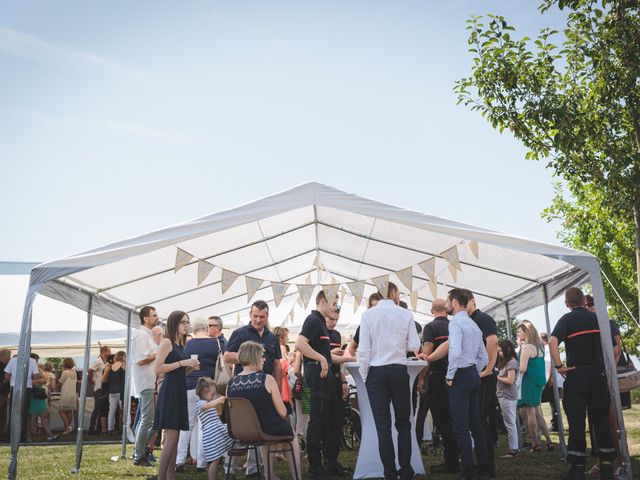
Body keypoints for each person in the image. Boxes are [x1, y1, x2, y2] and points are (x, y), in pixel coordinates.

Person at [549, 287, 616, 480]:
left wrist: (559, 366)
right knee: (601, 419)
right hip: (597, 372)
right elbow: (612, 346)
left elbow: (553, 342)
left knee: (577, 421)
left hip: (577, 374)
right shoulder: (598, 319)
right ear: (585, 301)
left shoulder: (566, 320)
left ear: (567, 304)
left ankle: (577, 469)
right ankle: (606, 466)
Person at [357, 282, 421, 480]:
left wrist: (365, 375)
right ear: (393, 293)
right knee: (404, 423)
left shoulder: (368, 315)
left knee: (382, 425)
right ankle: (407, 470)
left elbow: (363, 350)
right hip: (398, 370)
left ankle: (390, 473)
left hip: (376, 373)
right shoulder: (406, 314)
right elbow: (413, 344)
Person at [224, 300, 282, 479]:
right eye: (255, 316)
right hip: (244, 388)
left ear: (267, 316)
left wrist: (277, 390)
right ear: (250, 314)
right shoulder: (240, 333)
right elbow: (227, 356)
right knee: (240, 427)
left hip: (265, 389)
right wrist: (247, 358)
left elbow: (277, 365)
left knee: (259, 427)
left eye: (262, 317)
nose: (258, 320)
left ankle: (253, 469)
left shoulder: (272, 337)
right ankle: (230, 468)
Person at [227, 341, 301, 480]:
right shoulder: (266, 379)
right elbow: (282, 412)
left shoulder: (231, 383)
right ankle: (296, 477)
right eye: (262, 356)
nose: (264, 359)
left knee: (267, 431)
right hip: (265, 429)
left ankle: (269, 474)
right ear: (254, 357)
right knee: (291, 434)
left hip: (240, 432)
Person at [295, 290, 347, 479]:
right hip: (318, 378)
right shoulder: (314, 320)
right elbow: (300, 344)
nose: (336, 308)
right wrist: (321, 359)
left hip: (328, 381)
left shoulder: (322, 324)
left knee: (335, 418)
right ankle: (316, 470)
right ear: (323, 301)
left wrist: (349, 357)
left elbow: (327, 355)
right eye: (335, 303)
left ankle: (331, 464)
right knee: (317, 423)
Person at [445, 288, 489, 480]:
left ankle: (469, 471)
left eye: (448, 301)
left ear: (454, 302)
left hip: (461, 375)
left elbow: (454, 352)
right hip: (472, 373)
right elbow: (484, 356)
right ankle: (484, 468)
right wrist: (475, 371)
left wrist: (450, 375)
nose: (447, 305)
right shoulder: (473, 325)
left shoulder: (455, 323)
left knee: (460, 426)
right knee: (476, 424)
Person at [153, 310, 200, 480]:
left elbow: (177, 371)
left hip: (179, 390)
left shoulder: (181, 345)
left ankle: (170, 476)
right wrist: (182, 362)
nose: (186, 325)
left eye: (188, 322)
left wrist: (189, 367)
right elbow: (158, 369)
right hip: (171, 392)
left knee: (176, 437)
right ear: (174, 323)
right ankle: (161, 476)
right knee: (172, 438)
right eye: (183, 322)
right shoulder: (167, 342)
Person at [177, 316, 225, 472]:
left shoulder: (187, 345)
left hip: (189, 386)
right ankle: (201, 462)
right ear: (206, 327)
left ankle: (179, 460)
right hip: (208, 389)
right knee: (206, 425)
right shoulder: (215, 343)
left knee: (188, 424)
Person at [420, 298, 460, 473]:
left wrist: (421, 378)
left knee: (442, 420)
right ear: (446, 309)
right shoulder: (453, 326)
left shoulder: (430, 327)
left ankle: (451, 461)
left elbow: (427, 353)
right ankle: (455, 457)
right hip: (454, 377)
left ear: (431, 311)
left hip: (437, 378)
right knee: (453, 419)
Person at [464, 290, 498, 479]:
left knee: (480, 419)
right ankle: (482, 463)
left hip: (484, 376)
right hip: (473, 376)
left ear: (472, 301)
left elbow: (493, 342)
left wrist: (488, 368)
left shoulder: (482, 318)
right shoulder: (465, 322)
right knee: (476, 420)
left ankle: (487, 467)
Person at [324, 296, 352, 476]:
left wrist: (343, 380)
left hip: (335, 379)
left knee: (337, 420)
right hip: (322, 382)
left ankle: (333, 460)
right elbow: (309, 356)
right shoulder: (317, 332)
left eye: (336, 320)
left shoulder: (336, 335)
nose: (333, 323)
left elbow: (339, 363)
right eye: (331, 319)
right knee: (325, 423)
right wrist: (329, 353)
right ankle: (325, 462)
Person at [517, 320, 553, 453]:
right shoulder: (539, 347)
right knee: (538, 413)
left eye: (520, 331)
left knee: (530, 413)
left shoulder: (526, 347)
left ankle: (535, 443)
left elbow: (522, 368)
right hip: (538, 381)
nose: (518, 333)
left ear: (526, 332)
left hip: (529, 381)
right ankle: (549, 441)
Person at [131, 305, 160, 466]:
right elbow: (141, 360)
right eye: (154, 315)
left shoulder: (148, 335)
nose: (157, 318)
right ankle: (138, 455)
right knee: (147, 419)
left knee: (152, 420)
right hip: (145, 382)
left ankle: (142, 451)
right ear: (145, 318)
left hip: (151, 382)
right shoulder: (141, 335)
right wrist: (159, 353)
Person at [195, 377, 233, 480]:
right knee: (214, 461)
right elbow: (206, 406)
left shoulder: (208, 402)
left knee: (216, 460)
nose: (213, 397)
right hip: (212, 435)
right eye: (212, 394)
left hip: (217, 431)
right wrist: (217, 401)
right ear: (203, 392)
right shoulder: (200, 404)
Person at [4, 351, 40, 442]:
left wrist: (13, 379)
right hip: (27, 388)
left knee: (13, 412)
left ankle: (10, 436)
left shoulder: (13, 360)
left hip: (15, 387)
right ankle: (22, 436)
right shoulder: (32, 361)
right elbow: (36, 376)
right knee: (24, 413)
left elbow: (7, 375)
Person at [496, 340, 519, 458]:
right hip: (504, 395)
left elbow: (510, 381)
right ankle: (513, 447)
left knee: (510, 423)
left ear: (507, 349)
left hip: (508, 396)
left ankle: (513, 449)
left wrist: (497, 377)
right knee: (509, 422)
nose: (499, 353)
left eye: (500, 350)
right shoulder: (506, 362)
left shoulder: (512, 362)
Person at [540, 332, 564, 433]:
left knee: (553, 403)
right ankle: (557, 425)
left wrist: (549, 379)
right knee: (554, 403)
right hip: (557, 380)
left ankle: (556, 426)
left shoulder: (546, 349)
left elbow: (549, 363)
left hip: (552, 380)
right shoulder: (550, 349)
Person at [347, 292, 381, 358]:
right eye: (374, 308)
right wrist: (358, 362)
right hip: (368, 365)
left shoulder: (387, 325)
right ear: (369, 308)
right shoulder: (362, 327)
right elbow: (352, 348)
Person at [89, 345, 111, 434]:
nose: (110, 353)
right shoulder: (98, 361)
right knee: (97, 408)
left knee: (103, 408)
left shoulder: (105, 362)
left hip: (104, 387)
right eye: (109, 351)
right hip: (99, 387)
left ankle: (99, 428)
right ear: (104, 352)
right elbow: (90, 370)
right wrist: (92, 380)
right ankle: (91, 428)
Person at [103, 351, 126, 434]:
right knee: (124, 410)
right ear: (123, 357)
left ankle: (110, 428)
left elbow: (104, 380)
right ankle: (124, 428)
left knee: (111, 410)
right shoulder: (123, 366)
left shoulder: (110, 367)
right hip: (121, 392)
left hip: (111, 391)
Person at [272, 327, 293, 415]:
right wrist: (290, 360)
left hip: (279, 384)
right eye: (286, 336)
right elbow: (282, 367)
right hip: (282, 385)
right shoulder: (282, 347)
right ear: (281, 338)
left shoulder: (273, 348)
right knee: (286, 414)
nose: (288, 338)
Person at [58, 357, 78, 435]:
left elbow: (60, 382)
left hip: (65, 393)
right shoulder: (74, 372)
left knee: (61, 411)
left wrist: (57, 384)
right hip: (73, 393)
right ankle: (67, 429)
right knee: (69, 411)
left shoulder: (65, 372)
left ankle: (68, 427)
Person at [0, 349, 11, 439]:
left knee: (3, 414)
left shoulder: (7, 364)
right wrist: (5, 380)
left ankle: (2, 432)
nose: (8, 359)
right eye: (7, 358)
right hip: (1, 392)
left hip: (5, 392)